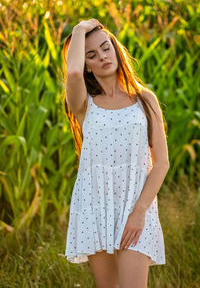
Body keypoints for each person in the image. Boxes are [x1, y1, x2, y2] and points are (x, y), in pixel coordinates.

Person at [62, 18, 170, 288]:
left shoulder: (145, 100)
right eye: (92, 55)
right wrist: (78, 29)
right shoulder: (85, 104)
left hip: (136, 206)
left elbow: (162, 164)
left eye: (106, 47)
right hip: (94, 206)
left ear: (115, 49)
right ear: (86, 64)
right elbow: (73, 75)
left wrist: (139, 211)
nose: (102, 56)